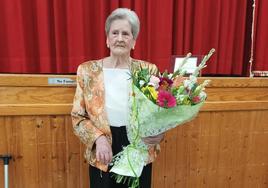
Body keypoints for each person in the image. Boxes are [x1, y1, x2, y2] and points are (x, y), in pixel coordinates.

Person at [71, 8, 164, 188]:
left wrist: (159, 132)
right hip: (103, 147)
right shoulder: (87, 71)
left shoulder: (148, 71)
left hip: (139, 146)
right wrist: (98, 138)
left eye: (126, 34)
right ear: (107, 39)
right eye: (115, 33)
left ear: (134, 41)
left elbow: (159, 114)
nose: (120, 38)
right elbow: (78, 116)